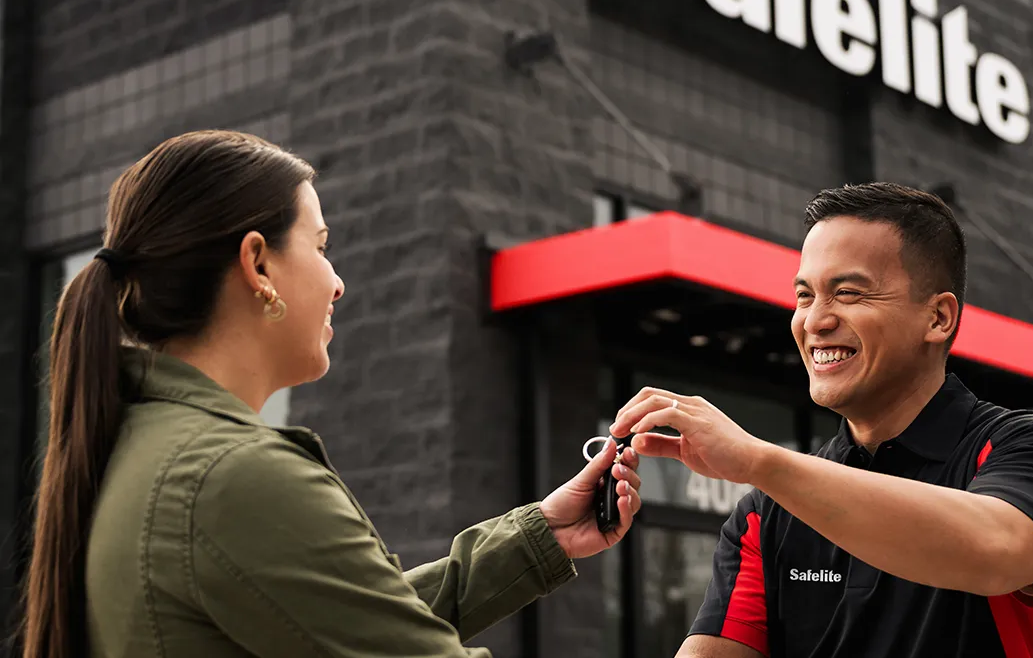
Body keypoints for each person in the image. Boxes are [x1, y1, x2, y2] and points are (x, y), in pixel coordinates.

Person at [18, 129, 642, 658]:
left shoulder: (148, 446)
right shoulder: (232, 477)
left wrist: (536, 539)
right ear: (258, 265)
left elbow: (342, 621)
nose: (337, 283)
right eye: (319, 247)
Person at [610, 182, 1033, 658]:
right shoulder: (766, 510)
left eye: (847, 293)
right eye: (805, 296)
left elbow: (996, 551)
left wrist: (759, 461)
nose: (815, 321)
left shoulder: (1031, 447)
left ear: (938, 318)